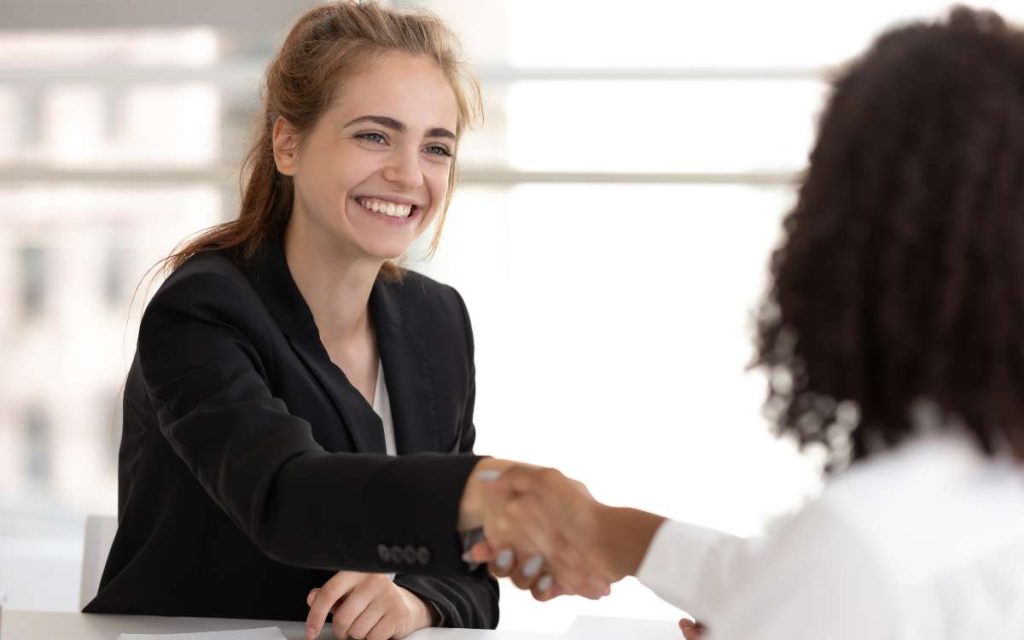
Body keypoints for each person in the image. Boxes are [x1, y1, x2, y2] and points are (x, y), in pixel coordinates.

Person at [467, 7, 1024, 640]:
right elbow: (790, 578)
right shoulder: (971, 490)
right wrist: (608, 530)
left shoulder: (861, 546)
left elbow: (824, 576)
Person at [83, 3, 526, 638]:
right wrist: (483, 495)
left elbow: (472, 581)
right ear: (287, 144)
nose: (408, 174)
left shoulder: (438, 319)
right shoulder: (201, 312)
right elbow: (286, 497)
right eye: (374, 135)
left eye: (435, 147)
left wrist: (412, 602)